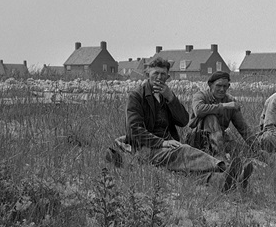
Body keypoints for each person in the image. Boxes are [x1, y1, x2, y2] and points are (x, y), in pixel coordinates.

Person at [107, 57, 253, 192]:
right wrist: (162, 143)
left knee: (187, 171)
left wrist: (171, 98)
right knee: (184, 151)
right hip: (146, 148)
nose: (159, 78)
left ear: (168, 77)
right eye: (155, 73)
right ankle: (227, 169)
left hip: (167, 146)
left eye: (163, 74)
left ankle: (223, 182)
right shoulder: (137, 96)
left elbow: (183, 121)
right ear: (147, 74)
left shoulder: (166, 96)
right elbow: (134, 130)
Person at [187, 71, 255, 161]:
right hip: (198, 140)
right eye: (218, 86)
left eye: (225, 86)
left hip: (221, 140)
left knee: (247, 152)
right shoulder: (200, 96)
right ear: (210, 85)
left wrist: (256, 146)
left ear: (228, 86)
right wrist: (223, 106)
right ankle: (221, 160)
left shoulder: (230, 100)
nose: (222, 89)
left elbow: (243, 128)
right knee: (210, 117)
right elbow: (199, 110)